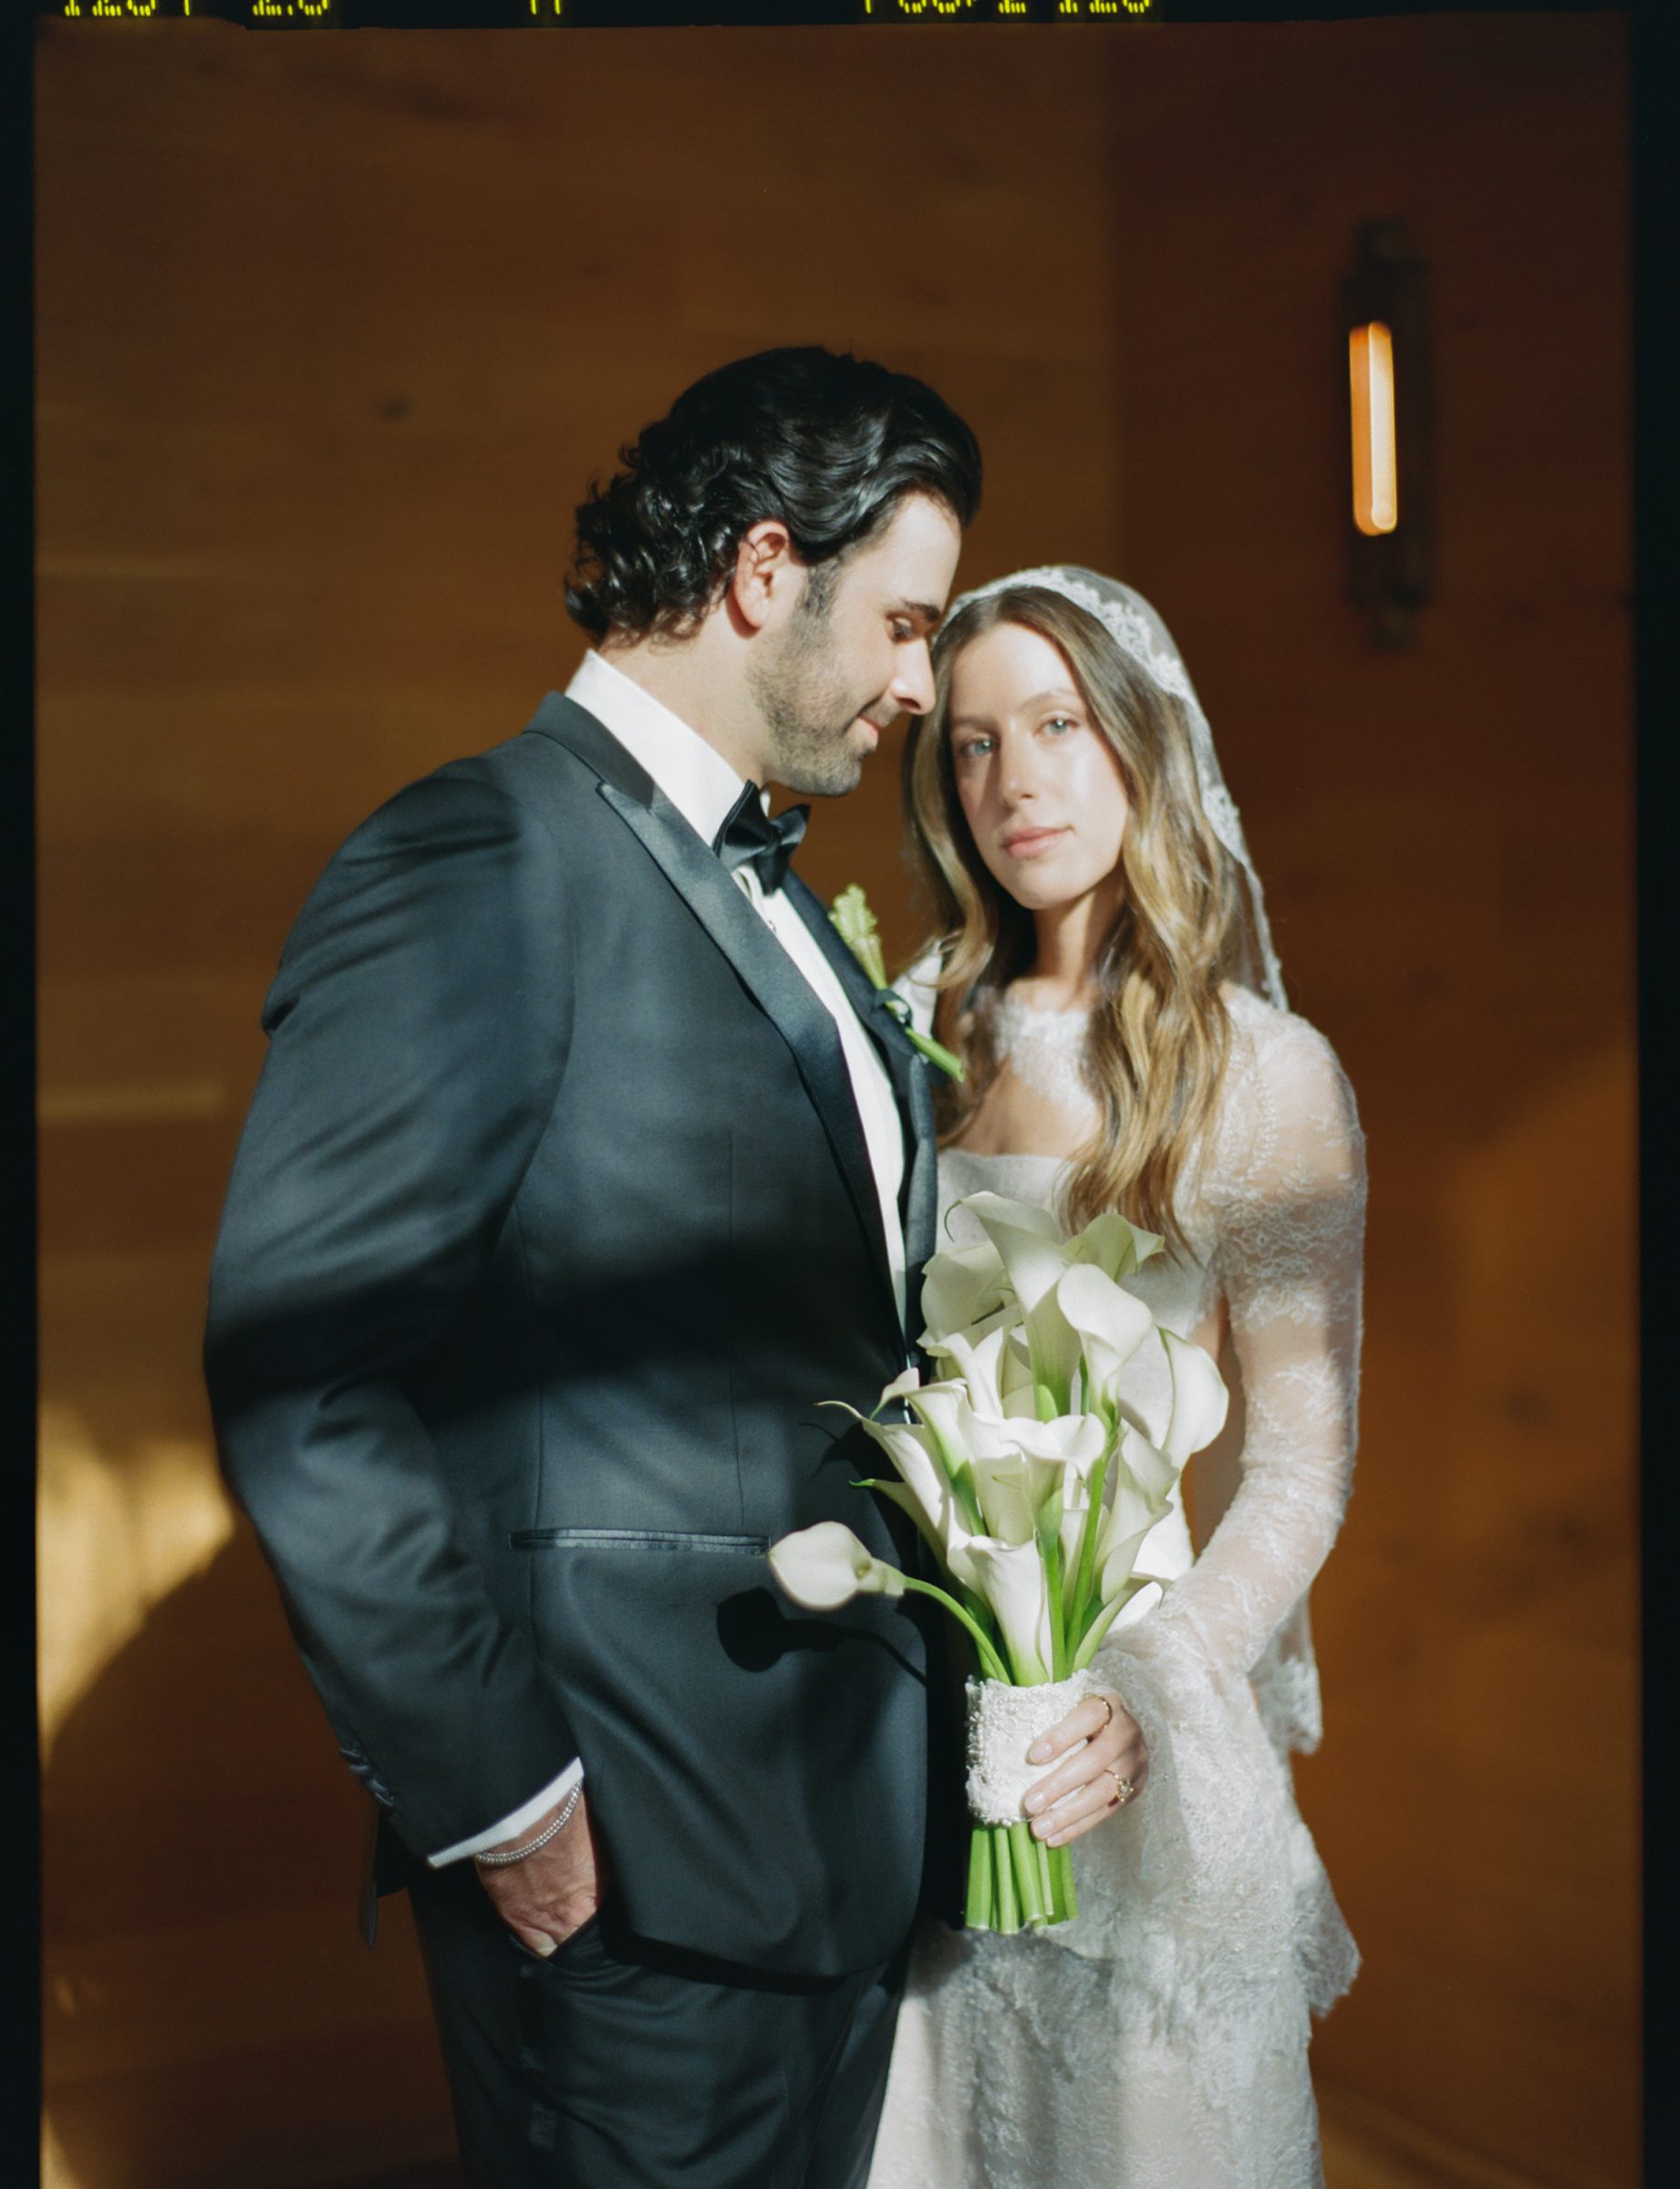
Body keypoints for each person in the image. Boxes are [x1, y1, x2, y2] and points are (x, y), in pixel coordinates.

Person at [202, 346, 983, 2188]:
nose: (917, 685)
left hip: (844, 1845)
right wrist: (499, 1791)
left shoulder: (787, 901)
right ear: (765, 568)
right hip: (624, 1873)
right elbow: (304, 1379)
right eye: (902, 625)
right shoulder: (480, 854)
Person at [866, 566, 1366, 2189]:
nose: (1012, 782)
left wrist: (1151, 1690)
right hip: (927, 1728)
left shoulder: (1263, 1077)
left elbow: (1296, 1466)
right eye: (970, 744)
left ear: (1141, 742)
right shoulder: (907, 1037)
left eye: (1058, 727)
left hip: (1137, 1723)